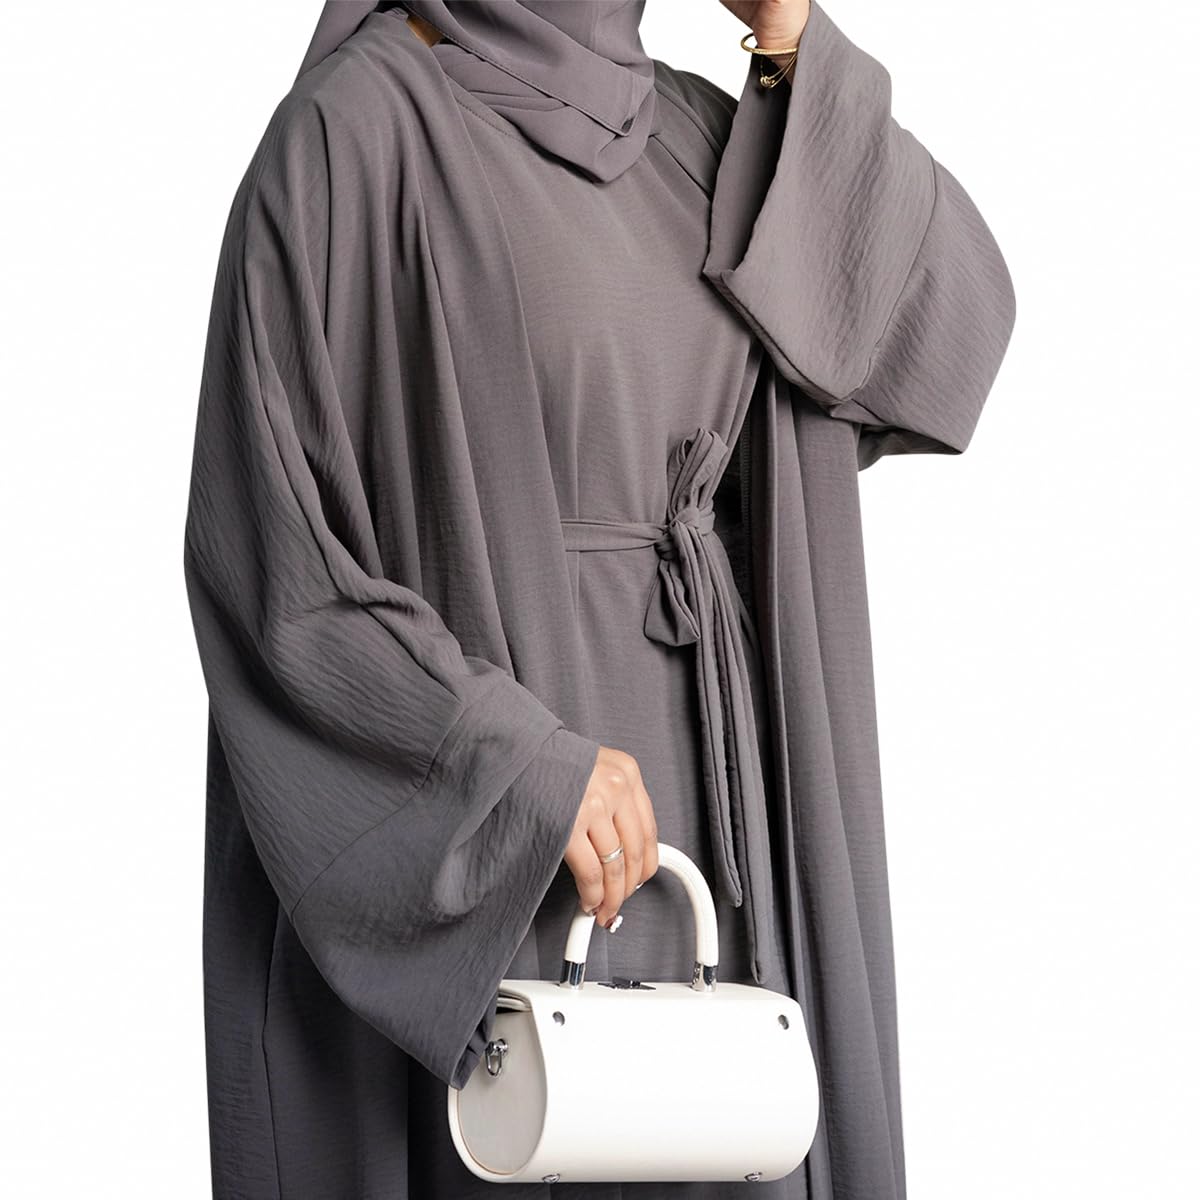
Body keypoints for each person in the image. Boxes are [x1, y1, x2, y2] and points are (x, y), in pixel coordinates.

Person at [182, 1, 1015, 1196]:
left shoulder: (705, 134)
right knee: (528, 1133)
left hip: (723, 839)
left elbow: (950, 338)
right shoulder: (358, 131)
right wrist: (513, 771)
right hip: (507, 852)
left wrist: (789, 38)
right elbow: (272, 567)